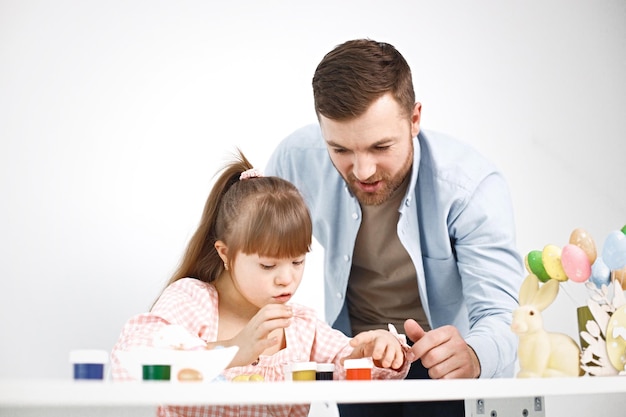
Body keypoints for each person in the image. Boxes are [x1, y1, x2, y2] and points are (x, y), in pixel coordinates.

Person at [264, 39, 525, 416]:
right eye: (340, 150)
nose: (363, 171)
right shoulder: (296, 159)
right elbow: (248, 246)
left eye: (380, 147)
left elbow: (503, 317)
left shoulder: (472, 187)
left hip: (441, 357)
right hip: (357, 354)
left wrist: (472, 354)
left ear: (415, 119)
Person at [110, 149, 411, 417]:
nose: (287, 278)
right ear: (225, 254)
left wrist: (375, 350)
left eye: (297, 261)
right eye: (268, 265)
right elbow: (131, 361)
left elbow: (347, 363)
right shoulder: (192, 302)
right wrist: (231, 350)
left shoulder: (302, 326)